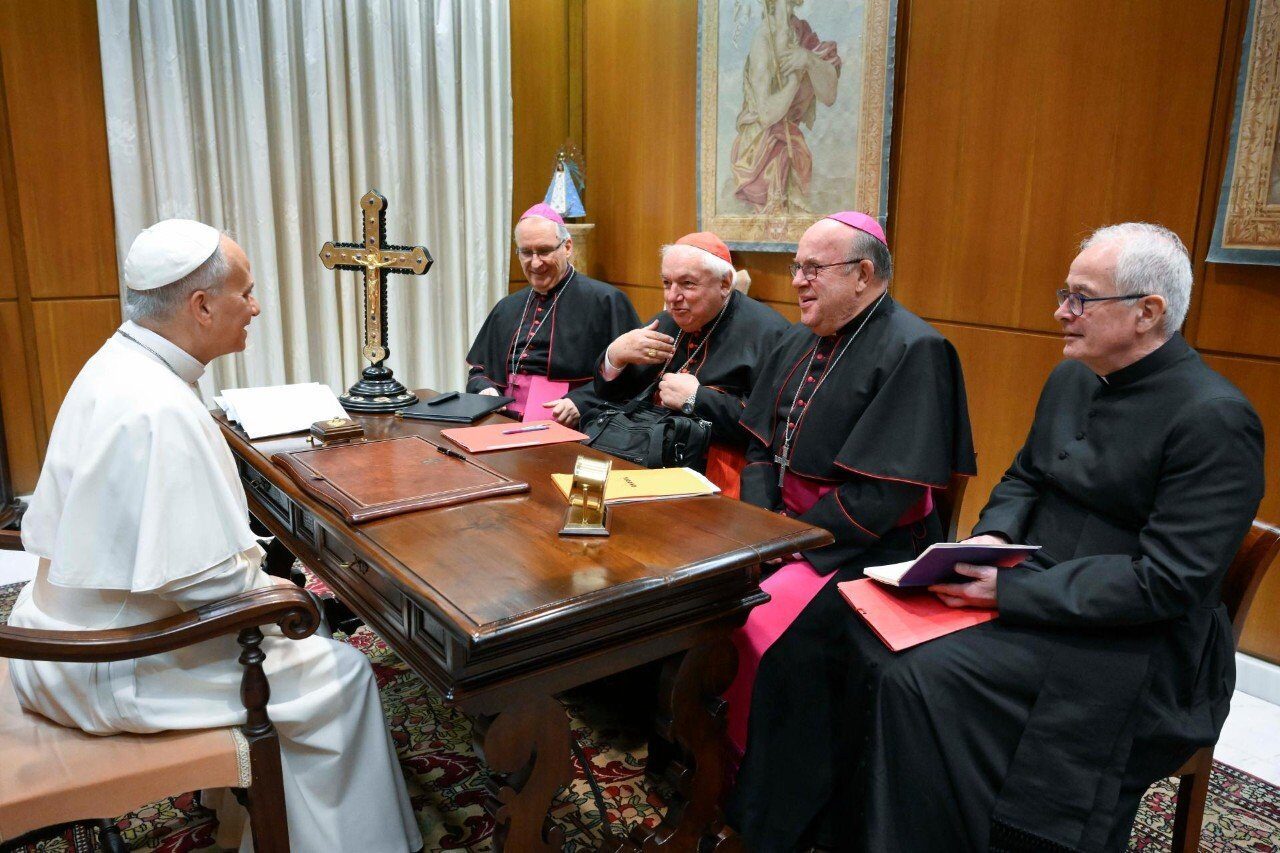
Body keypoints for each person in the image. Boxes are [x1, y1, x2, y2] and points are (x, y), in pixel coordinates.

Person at [813, 223, 1260, 851]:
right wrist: (991, 541)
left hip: (1135, 645)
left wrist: (1009, 592)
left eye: (1082, 298)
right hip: (1037, 591)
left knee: (920, 676)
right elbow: (1025, 476)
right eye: (1064, 293)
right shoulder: (1074, 377)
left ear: (1147, 312)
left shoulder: (1216, 419)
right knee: (860, 634)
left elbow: (1169, 580)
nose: (1061, 312)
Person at [7, 220, 423, 853]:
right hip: (106, 664)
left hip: (59, 637)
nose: (255, 307)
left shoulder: (118, 361)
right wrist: (288, 599)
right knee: (341, 673)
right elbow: (205, 584)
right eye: (246, 292)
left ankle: (245, 810)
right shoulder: (157, 407)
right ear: (201, 306)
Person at [724, 211, 977, 850]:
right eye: (797, 267)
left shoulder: (916, 349)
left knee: (776, 643)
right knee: (698, 608)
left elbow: (886, 494)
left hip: (866, 546)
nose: (797, 281)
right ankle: (716, 772)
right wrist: (762, 528)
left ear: (864, 274)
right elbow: (759, 448)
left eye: (813, 269)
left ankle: (773, 820)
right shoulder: (798, 338)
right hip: (783, 530)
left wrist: (788, 542)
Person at [586, 231, 789, 497]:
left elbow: (767, 427)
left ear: (725, 283)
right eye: (666, 283)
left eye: (687, 284)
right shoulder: (666, 322)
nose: (672, 297)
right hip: (646, 453)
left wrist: (696, 398)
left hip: (719, 472)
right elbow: (615, 395)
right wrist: (615, 356)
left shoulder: (769, 333)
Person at [465, 203, 639, 425]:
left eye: (544, 251)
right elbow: (479, 369)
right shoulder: (507, 306)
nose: (536, 263)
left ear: (567, 247)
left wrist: (583, 402)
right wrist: (484, 389)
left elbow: (633, 374)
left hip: (571, 424)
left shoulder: (606, 301)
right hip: (500, 420)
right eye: (526, 252)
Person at [730, 0, 841, 213]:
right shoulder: (764, 41)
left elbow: (829, 96)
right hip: (760, 153)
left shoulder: (801, 34)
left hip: (791, 147)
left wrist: (808, 59)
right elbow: (766, 115)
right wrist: (795, 79)